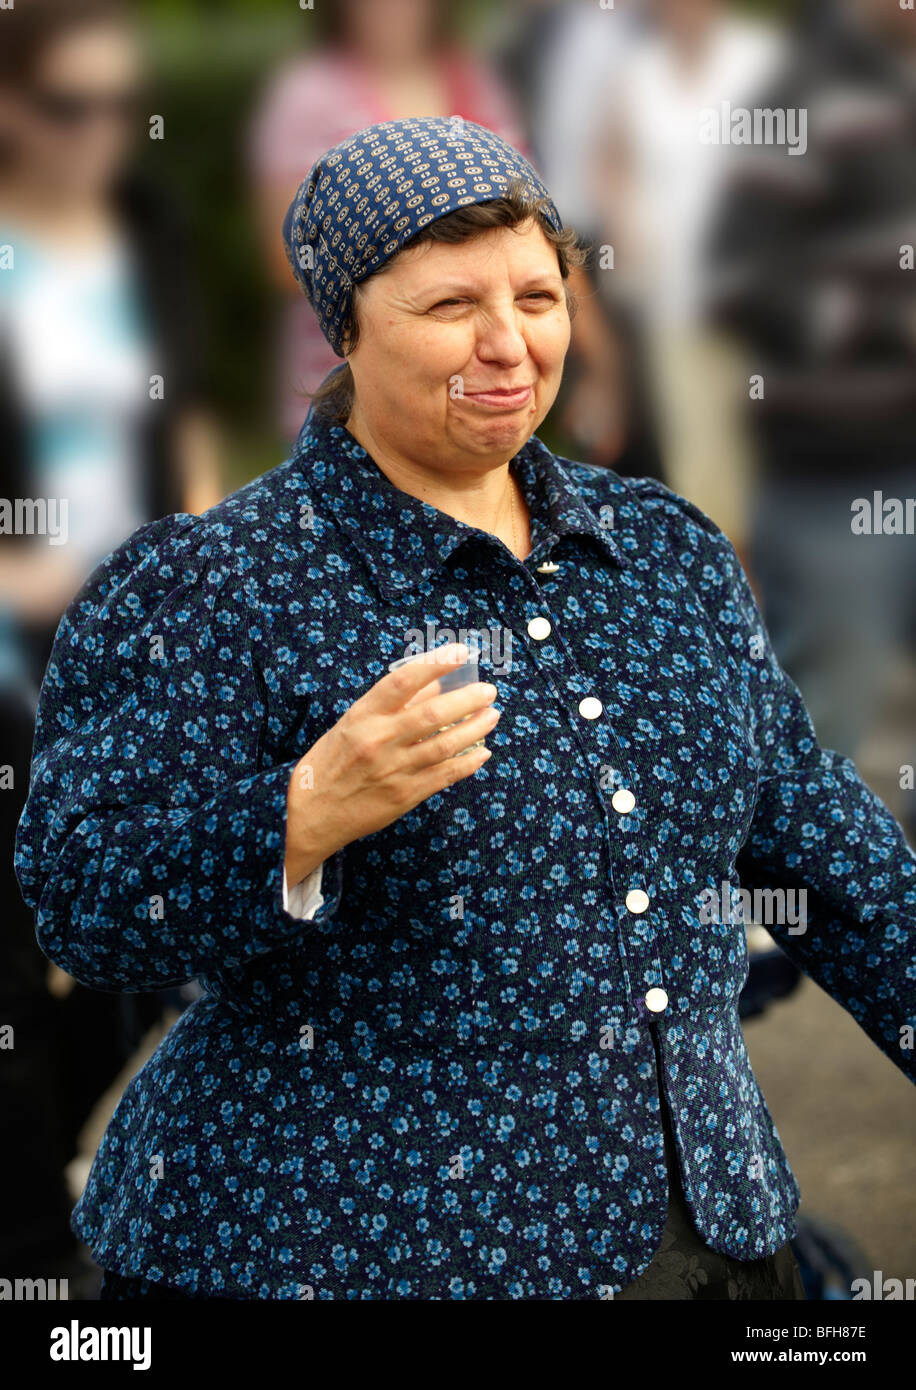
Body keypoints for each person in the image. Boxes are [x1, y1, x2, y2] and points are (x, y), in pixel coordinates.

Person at [16, 117, 915, 1301]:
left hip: (700, 1235)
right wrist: (297, 815)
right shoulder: (212, 584)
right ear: (343, 327)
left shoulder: (662, 553)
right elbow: (81, 899)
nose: (507, 346)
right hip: (344, 1252)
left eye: (538, 297)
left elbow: (820, 843)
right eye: (449, 308)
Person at [0, 0, 220, 1289]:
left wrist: (204, 572)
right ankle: (33, 1263)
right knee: (21, 984)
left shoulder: (141, 223)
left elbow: (180, 418)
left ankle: (55, 1186)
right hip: (11, 667)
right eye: (65, 107)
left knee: (144, 950)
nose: (98, 137)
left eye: (115, 108)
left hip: (135, 654)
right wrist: (37, 571)